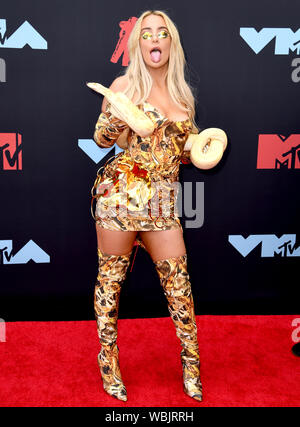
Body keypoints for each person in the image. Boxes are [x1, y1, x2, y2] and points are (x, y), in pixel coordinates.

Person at [91, 9, 203, 403]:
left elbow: (181, 155)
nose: (154, 39)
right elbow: (103, 140)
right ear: (139, 43)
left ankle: (191, 366)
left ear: (171, 43)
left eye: (162, 33)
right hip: (121, 197)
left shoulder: (183, 97)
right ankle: (109, 364)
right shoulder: (124, 84)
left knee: (179, 287)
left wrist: (201, 148)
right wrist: (119, 110)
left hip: (161, 204)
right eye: (147, 34)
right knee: (111, 283)